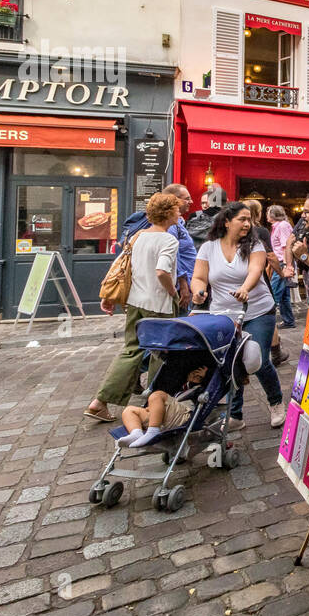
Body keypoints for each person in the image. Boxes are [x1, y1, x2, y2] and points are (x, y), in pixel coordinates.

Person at [83, 193, 183, 422]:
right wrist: (172, 291)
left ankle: (100, 402)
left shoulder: (138, 236)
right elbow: (162, 271)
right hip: (158, 304)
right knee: (162, 354)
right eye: (177, 209)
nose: (180, 212)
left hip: (135, 302)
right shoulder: (168, 240)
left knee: (131, 351)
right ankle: (156, 406)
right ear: (168, 213)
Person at [192, 202, 285, 429]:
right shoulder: (209, 247)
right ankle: (235, 415)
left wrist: (245, 288)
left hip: (257, 310)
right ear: (226, 221)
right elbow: (199, 277)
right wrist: (198, 292)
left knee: (257, 359)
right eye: (241, 219)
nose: (247, 224)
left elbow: (255, 270)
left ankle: (276, 402)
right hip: (223, 313)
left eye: (248, 220)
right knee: (230, 361)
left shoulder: (255, 245)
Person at [117, 184, 197, 311]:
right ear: (173, 201)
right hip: (167, 297)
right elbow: (163, 270)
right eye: (187, 198)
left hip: (140, 299)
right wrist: (179, 289)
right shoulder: (169, 232)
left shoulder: (140, 236)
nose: (191, 202)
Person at [117, 354, 211, 448]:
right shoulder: (177, 381)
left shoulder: (198, 389)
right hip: (159, 417)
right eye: (195, 372)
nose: (196, 375)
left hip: (183, 416)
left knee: (157, 395)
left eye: (200, 376)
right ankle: (136, 433)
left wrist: (204, 379)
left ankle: (152, 431)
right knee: (129, 410)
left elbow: (208, 392)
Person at [244, 199, 288, 369]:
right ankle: (275, 353)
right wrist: (281, 273)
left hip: (240, 277)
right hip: (259, 277)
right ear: (258, 213)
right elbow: (271, 256)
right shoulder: (261, 231)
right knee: (268, 312)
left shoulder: (233, 231)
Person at [267, 204, 297, 329]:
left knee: (274, 293)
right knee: (284, 295)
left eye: (268, 212)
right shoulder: (277, 227)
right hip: (280, 262)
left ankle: (268, 322)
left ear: (273, 215)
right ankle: (288, 321)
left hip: (281, 263)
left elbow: (286, 246)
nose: (266, 215)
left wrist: (286, 265)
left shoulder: (282, 226)